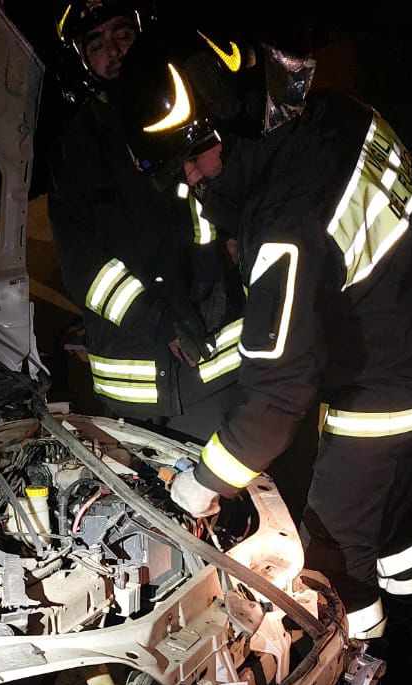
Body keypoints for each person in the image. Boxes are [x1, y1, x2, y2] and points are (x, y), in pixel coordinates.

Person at [115, 32, 412, 685]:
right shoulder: (340, 113)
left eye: (193, 157)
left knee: (335, 548)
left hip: (389, 401)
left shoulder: (284, 221)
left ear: (231, 123)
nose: (190, 178)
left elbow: (275, 400)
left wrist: (200, 485)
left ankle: (366, 680)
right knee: (399, 522)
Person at [46, 2, 249, 440]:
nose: (113, 51)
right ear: (82, 62)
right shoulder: (76, 146)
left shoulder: (191, 109)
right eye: (96, 45)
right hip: (132, 383)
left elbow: (223, 210)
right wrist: (157, 320)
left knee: (228, 476)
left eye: (122, 35)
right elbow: (83, 267)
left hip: (212, 372)